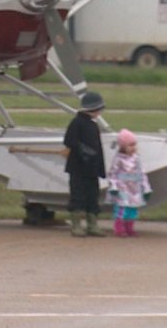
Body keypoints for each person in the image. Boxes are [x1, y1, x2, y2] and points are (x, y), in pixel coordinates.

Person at [63, 91, 107, 237]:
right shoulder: (77, 123)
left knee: (92, 196)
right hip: (78, 167)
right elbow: (69, 141)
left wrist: (99, 167)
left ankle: (92, 224)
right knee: (78, 195)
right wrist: (83, 151)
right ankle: (76, 225)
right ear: (94, 109)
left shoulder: (93, 125)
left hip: (91, 169)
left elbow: (98, 148)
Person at [106, 129, 152, 237]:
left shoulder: (137, 158)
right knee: (122, 208)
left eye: (134, 145)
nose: (133, 148)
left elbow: (142, 173)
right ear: (123, 147)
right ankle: (119, 228)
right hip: (122, 187)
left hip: (134, 187)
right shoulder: (118, 159)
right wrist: (113, 186)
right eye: (130, 145)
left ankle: (129, 227)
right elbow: (113, 173)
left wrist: (146, 187)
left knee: (132, 209)